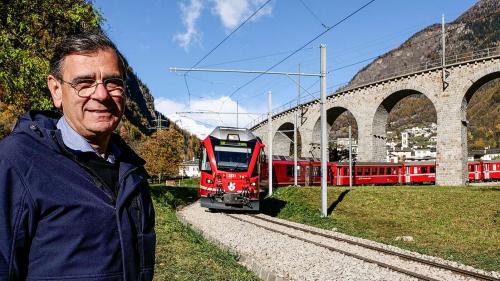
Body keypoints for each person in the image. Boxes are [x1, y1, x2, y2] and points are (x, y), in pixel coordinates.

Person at [0, 31, 155, 280]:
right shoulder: (16, 162)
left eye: (113, 82)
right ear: (57, 90)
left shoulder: (133, 173)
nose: (102, 95)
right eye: (84, 83)